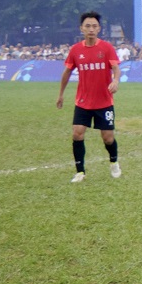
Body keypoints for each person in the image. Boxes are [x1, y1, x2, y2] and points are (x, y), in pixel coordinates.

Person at [56, 11, 123, 183]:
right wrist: (61, 94)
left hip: (104, 102)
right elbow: (66, 73)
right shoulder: (76, 50)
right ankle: (80, 172)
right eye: (87, 26)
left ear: (99, 29)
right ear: (81, 28)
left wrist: (115, 81)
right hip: (83, 102)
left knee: (108, 138)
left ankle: (114, 161)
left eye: (94, 26)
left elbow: (116, 68)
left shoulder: (107, 48)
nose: (91, 29)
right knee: (77, 134)